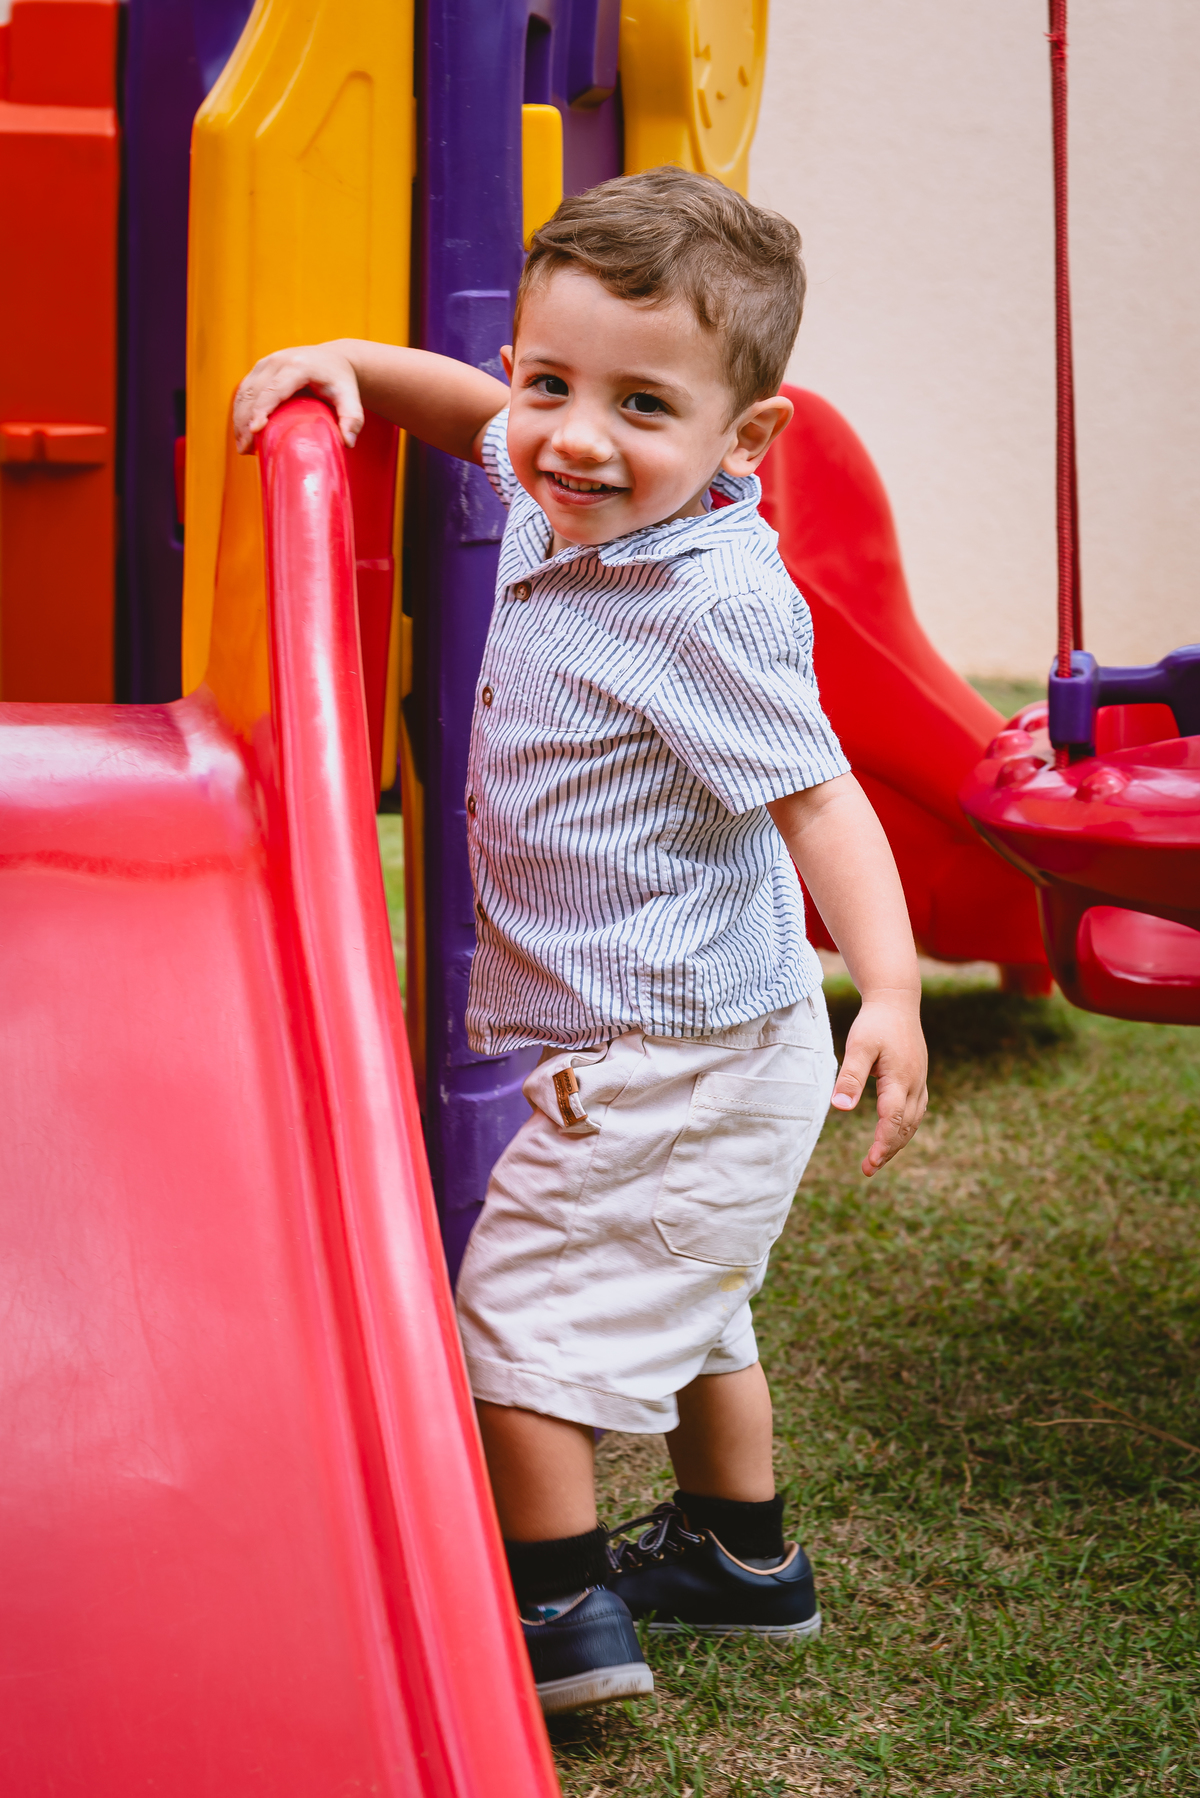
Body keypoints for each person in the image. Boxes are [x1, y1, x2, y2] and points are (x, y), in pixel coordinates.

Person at [234, 165, 928, 1715]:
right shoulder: (573, 476)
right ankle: (743, 1561)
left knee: (518, 1328)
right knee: (694, 1299)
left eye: (638, 405)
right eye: (549, 382)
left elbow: (820, 797)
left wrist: (887, 977)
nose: (575, 434)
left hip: (668, 1056)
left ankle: (557, 1618)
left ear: (744, 442)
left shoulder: (703, 599)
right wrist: (346, 364)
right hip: (689, 1038)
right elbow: (456, 407)